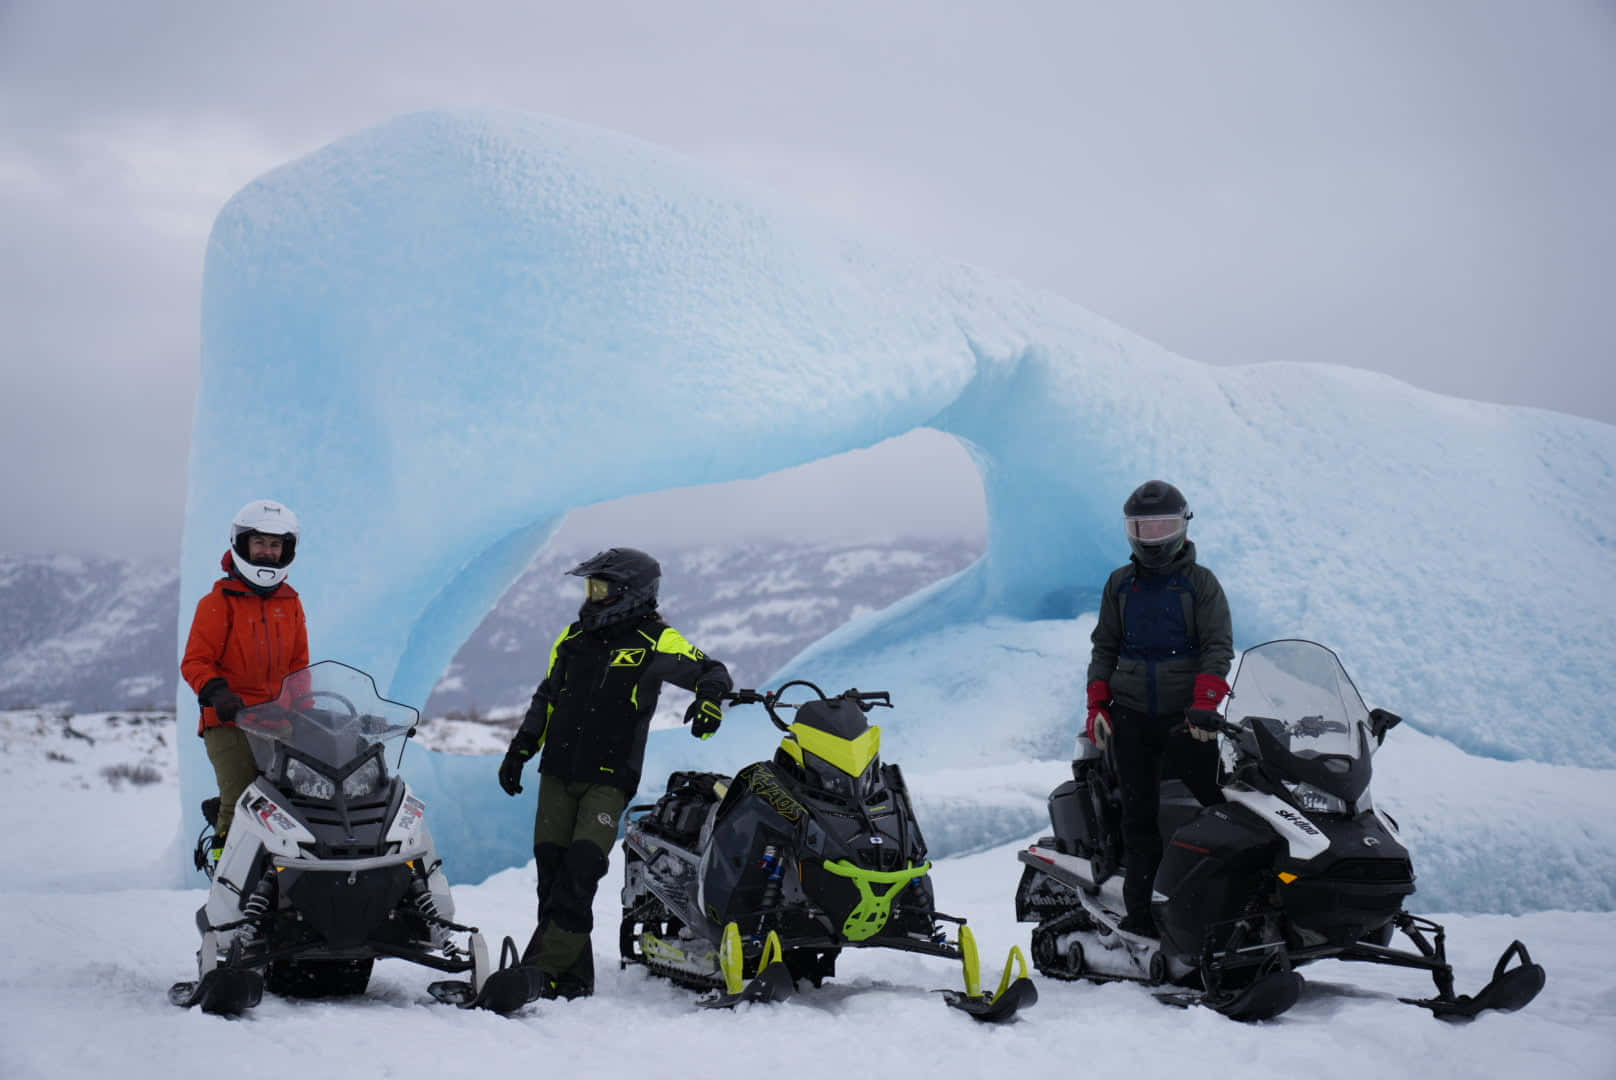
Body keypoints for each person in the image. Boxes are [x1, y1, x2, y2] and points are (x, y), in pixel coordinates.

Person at [498, 546, 732, 1000]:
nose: (592, 595)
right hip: (557, 773)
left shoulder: (656, 639)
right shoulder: (570, 638)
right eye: (591, 586)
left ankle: (538, 970)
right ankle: (573, 979)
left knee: (580, 872)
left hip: (609, 778)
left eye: (601, 587)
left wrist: (708, 701)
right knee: (553, 877)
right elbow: (546, 698)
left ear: (631, 593)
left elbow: (712, 671)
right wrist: (519, 750)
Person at [1085, 480, 1233, 938]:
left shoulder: (1200, 584)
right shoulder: (1120, 584)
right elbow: (1104, 646)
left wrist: (1205, 704)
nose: (1152, 538)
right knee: (1138, 818)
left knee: (1218, 810)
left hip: (1188, 721)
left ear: (1183, 527)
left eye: (1162, 527)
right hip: (1130, 717)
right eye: (1142, 528)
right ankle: (1140, 917)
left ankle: (1225, 909)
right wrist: (1097, 706)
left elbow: (1217, 647)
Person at [181, 499, 309, 868]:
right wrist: (217, 692)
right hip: (228, 718)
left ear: (287, 550)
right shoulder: (219, 602)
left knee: (297, 797)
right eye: (260, 544)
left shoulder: (291, 602)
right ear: (242, 545)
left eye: (275, 545)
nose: (267, 552)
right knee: (240, 797)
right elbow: (196, 661)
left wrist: (308, 708)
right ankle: (226, 870)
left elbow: (299, 663)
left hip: (278, 718)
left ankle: (288, 871)